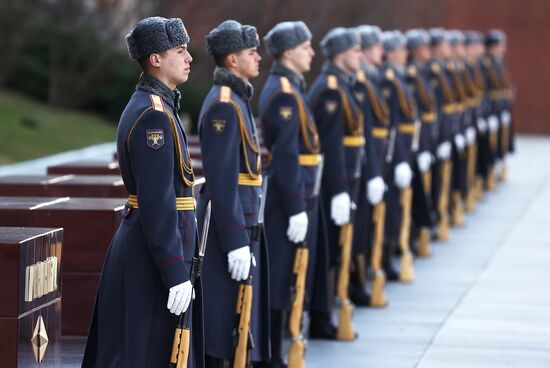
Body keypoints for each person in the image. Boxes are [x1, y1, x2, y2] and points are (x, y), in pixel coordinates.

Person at [82, 16, 203, 368]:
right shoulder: (153, 116)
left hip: (152, 247)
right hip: (152, 254)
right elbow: (157, 202)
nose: (188, 58)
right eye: (180, 50)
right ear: (155, 59)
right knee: (145, 352)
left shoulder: (159, 106)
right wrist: (174, 271)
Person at [196, 20, 270, 367]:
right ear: (231, 60)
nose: (258, 58)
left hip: (244, 220)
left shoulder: (237, 99)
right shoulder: (225, 105)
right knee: (222, 324)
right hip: (231, 227)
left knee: (235, 323)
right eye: (251, 53)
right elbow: (223, 180)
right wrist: (235, 240)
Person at [258, 21, 325, 365]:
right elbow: (285, 156)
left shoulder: (291, 86)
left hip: (296, 194)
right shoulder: (284, 91)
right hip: (287, 199)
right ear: (287, 52)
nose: (312, 52)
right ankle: (271, 356)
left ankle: (275, 353)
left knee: (288, 277)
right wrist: (297, 206)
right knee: (281, 277)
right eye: (305, 46)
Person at [308, 27, 364, 337]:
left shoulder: (341, 84)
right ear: (341, 55)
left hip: (342, 180)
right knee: (328, 250)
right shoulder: (330, 89)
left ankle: (324, 312)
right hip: (331, 184)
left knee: (336, 249)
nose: (360, 55)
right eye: (355, 51)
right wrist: (340, 190)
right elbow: (331, 145)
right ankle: (319, 316)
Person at [379, 30, 416, 281]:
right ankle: (381, 260)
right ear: (389, 53)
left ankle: (390, 253)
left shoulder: (398, 77)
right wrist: (399, 157)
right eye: (400, 49)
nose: (405, 53)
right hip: (391, 153)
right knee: (388, 211)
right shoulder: (388, 80)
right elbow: (391, 125)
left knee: (396, 210)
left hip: (400, 149)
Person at [405, 28, 437, 257]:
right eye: (424, 47)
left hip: (424, 139)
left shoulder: (422, 73)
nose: (429, 51)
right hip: (413, 143)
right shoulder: (410, 75)